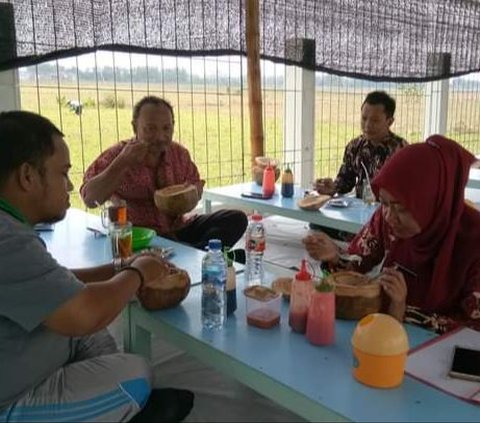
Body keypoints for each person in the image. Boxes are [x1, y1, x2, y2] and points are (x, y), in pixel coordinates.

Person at [0, 111, 194, 422]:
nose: (69, 183)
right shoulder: (6, 240)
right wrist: (138, 272)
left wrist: (120, 268)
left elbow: (57, 283)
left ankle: (111, 404)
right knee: (137, 373)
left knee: (97, 336)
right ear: (27, 177)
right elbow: (83, 313)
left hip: (25, 351)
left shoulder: (12, 226)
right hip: (11, 396)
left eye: (166, 127)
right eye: (62, 173)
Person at [304, 135, 480, 334]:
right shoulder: (386, 220)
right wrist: (334, 256)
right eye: (384, 203)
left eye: (401, 208)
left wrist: (402, 309)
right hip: (385, 334)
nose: (388, 216)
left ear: (433, 203)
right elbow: (359, 264)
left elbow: (472, 327)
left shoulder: (473, 241)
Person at [80, 96, 248, 251]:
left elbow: (195, 185)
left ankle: (189, 250)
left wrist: (190, 195)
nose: (160, 137)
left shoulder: (179, 153)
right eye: (150, 129)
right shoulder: (118, 154)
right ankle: (189, 251)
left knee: (236, 219)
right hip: (140, 236)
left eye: (167, 128)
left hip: (178, 227)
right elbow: (89, 198)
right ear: (135, 127)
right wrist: (122, 162)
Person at [315, 90, 408, 199]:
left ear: (390, 122)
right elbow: (345, 181)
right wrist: (332, 188)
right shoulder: (355, 146)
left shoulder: (401, 151)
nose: (367, 125)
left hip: (389, 212)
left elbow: (407, 191)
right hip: (361, 211)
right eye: (364, 118)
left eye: (375, 120)